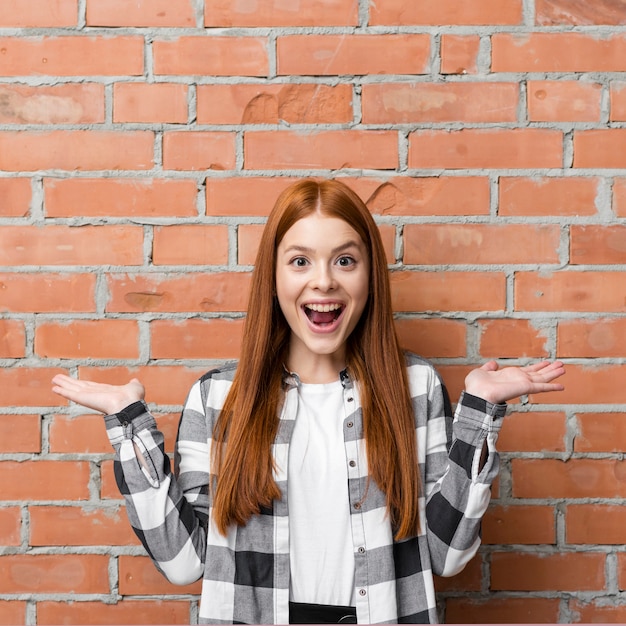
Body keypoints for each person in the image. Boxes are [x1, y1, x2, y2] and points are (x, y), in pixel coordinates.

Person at [52, 178, 565, 625]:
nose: (323, 280)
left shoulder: (416, 388)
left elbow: (447, 556)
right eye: (300, 261)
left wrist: (479, 411)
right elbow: (184, 562)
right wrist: (130, 424)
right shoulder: (218, 398)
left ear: (369, 277)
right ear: (274, 280)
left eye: (345, 260)